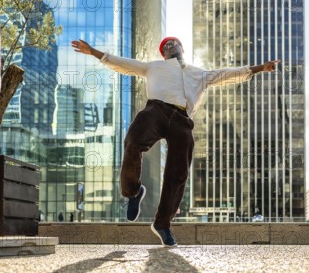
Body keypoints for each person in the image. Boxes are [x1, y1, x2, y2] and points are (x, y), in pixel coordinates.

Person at [71, 37, 280, 247]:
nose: (170, 47)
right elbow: (123, 64)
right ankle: (133, 192)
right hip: (155, 111)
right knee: (133, 142)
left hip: (182, 120)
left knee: (179, 172)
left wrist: (260, 68)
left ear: (182, 48)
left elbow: (228, 74)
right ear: (163, 54)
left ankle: (162, 224)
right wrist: (95, 52)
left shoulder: (200, 74)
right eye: (166, 47)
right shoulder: (153, 67)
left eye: (174, 44)